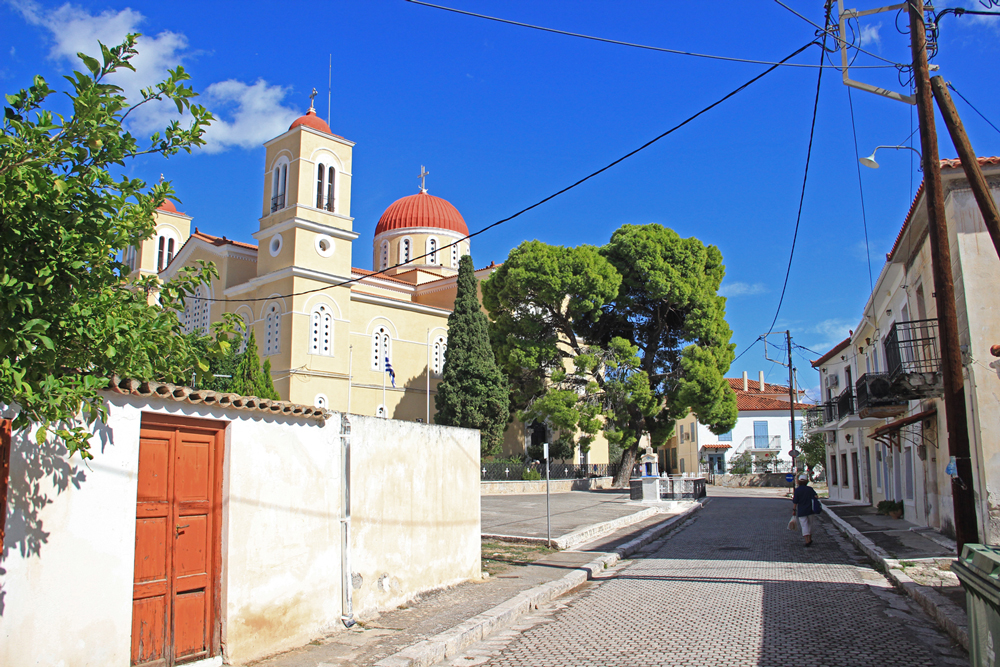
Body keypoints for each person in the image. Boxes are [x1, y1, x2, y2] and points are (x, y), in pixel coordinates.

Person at [791, 474, 818, 546]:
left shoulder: (797, 490)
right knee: (810, 525)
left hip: (801, 510)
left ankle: (807, 541)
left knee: (804, 525)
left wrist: (794, 510)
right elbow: (816, 496)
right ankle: (810, 538)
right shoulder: (810, 489)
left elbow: (795, 501)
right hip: (810, 509)